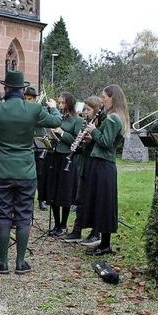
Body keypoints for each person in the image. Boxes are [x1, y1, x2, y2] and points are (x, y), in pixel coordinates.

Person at [0, 70, 61, 273]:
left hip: (3, 171)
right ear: (23, 90)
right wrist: (54, 108)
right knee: (24, 216)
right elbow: (56, 122)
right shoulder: (33, 109)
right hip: (26, 171)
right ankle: (21, 263)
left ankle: (3, 262)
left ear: (5, 88)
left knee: (4, 215)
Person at [80, 84, 130, 256]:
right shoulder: (115, 117)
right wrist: (90, 138)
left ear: (113, 98)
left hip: (103, 165)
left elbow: (106, 142)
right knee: (102, 203)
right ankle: (103, 243)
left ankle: (105, 245)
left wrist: (93, 131)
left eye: (104, 96)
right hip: (104, 164)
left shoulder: (113, 118)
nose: (102, 100)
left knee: (103, 204)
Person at [63, 96, 103, 246]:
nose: (85, 112)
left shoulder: (100, 124)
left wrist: (91, 139)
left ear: (96, 110)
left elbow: (102, 144)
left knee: (93, 200)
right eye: (85, 109)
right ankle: (77, 231)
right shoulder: (86, 123)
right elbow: (82, 148)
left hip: (95, 165)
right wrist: (77, 145)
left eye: (88, 109)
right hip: (84, 166)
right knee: (80, 199)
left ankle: (95, 232)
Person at [45, 92, 84, 236]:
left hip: (68, 158)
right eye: (59, 103)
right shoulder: (58, 117)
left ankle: (63, 225)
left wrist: (62, 133)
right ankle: (56, 224)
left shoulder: (77, 120)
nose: (60, 105)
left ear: (69, 104)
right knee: (54, 190)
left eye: (62, 103)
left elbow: (77, 142)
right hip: (54, 155)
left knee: (65, 191)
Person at [25, 86, 49, 211]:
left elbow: (45, 122)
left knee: (40, 175)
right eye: (26, 99)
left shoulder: (41, 109)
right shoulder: (23, 110)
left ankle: (41, 200)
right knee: (28, 176)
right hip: (27, 147)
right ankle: (27, 200)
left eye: (30, 99)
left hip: (39, 147)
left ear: (35, 99)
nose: (27, 101)